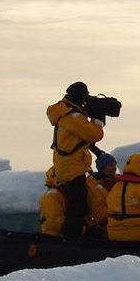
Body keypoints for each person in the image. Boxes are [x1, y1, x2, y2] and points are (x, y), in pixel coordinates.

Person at [46, 82, 106, 237]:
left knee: (77, 205)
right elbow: (94, 135)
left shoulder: (65, 113)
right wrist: (98, 118)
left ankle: (73, 236)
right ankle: (69, 239)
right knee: (79, 207)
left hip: (67, 167)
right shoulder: (73, 116)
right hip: (74, 168)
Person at [85, 152, 119, 237]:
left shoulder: (118, 184)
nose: (114, 168)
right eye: (110, 165)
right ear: (102, 168)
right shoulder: (96, 189)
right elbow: (99, 216)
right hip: (106, 233)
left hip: (118, 230)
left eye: (115, 165)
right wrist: (119, 212)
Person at [39, 168, 67, 237]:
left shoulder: (59, 193)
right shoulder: (53, 194)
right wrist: (81, 230)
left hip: (59, 238)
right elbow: (55, 222)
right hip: (54, 238)